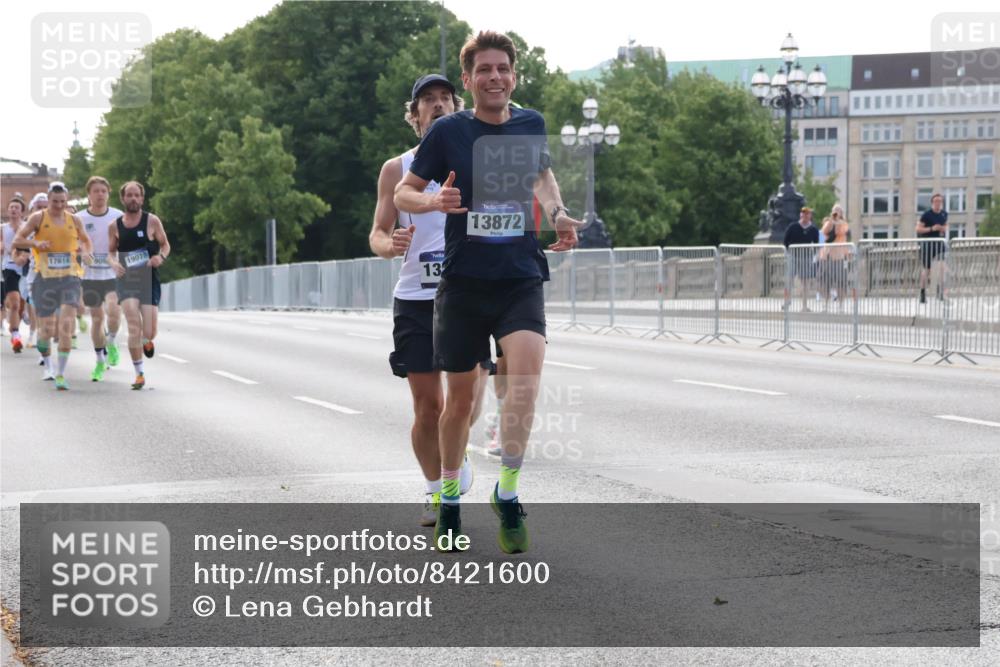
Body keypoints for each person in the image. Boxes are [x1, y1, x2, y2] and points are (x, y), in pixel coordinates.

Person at [395, 31, 583, 553]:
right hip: (463, 283)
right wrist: (432, 203)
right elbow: (402, 191)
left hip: (520, 273)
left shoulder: (530, 123)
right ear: (469, 80)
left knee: (524, 381)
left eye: (503, 68)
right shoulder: (449, 132)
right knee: (459, 405)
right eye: (485, 70)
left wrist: (559, 212)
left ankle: (508, 492)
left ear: (513, 76)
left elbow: (543, 177)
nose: (495, 77)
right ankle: (450, 498)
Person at [371, 73, 489, 527]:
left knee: (470, 402)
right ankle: (436, 488)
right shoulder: (397, 170)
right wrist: (390, 244)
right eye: (428, 100)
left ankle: (453, 456)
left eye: (445, 98)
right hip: (417, 297)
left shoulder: (478, 158)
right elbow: (378, 233)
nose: (437, 105)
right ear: (415, 114)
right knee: (428, 406)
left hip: (469, 292)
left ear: (456, 107)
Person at [12, 182, 93, 389]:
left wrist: (85, 252)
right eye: (55, 202)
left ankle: (60, 373)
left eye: (63, 202)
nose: (59, 206)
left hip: (70, 278)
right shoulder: (38, 218)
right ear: (48, 200)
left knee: (65, 327)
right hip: (44, 278)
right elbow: (18, 241)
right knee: (46, 331)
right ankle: (47, 364)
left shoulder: (74, 220)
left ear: (67, 201)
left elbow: (85, 240)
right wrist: (35, 244)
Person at [108, 181, 170, 390]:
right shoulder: (115, 226)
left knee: (149, 331)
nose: (133, 199)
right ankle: (139, 373)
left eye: (137, 195)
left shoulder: (152, 221)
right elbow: (110, 252)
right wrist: (114, 263)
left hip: (149, 278)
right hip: (127, 279)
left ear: (142, 199)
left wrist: (160, 257)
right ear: (123, 198)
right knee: (133, 323)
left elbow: (165, 244)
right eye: (129, 195)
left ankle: (147, 340)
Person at [78, 176, 124, 381]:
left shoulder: (118, 216)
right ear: (89, 194)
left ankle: (111, 341)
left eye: (103, 191)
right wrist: (81, 252)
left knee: (114, 312)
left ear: (108, 193)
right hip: (90, 275)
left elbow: (127, 241)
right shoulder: (79, 218)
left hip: (112, 272)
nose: (99, 195)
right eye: (95, 191)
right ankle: (99, 360)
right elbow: (72, 242)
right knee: (97, 318)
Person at [1, 195, 29, 353]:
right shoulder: (3, 228)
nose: (13, 210)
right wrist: (7, 247)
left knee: (22, 303)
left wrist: (24, 254)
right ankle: (16, 336)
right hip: (9, 267)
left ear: (22, 212)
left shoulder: (28, 227)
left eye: (16, 208)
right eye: (11, 207)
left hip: (26, 267)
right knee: (14, 302)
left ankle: (23, 315)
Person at [783, 206, 820, 312]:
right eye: (803, 213)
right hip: (793, 256)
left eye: (807, 213)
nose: (805, 215)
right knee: (789, 279)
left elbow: (816, 244)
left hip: (806, 257)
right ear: (800, 214)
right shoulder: (793, 226)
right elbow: (785, 241)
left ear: (810, 216)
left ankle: (804, 305)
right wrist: (788, 253)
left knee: (806, 282)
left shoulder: (813, 229)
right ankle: (786, 301)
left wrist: (815, 256)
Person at [818, 204, 851, 308]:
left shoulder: (844, 224)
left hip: (839, 257)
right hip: (826, 256)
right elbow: (823, 232)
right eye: (834, 210)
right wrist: (831, 222)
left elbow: (839, 231)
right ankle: (826, 302)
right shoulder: (828, 222)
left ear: (841, 213)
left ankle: (841, 304)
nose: (836, 212)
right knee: (824, 281)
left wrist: (836, 222)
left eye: (838, 210)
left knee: (840, 281)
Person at [917, 193, 948, 304]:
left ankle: (940, 293)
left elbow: (946, 226)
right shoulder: (926, 215)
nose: (938, 203)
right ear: (932, 203)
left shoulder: (944, 214)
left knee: (943, 269)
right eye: (936, 201)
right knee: (927, 270)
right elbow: (918, 229)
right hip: (927, 245)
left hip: (940, 244)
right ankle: (922, 293)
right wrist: (932, 228)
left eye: (940, 201)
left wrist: (942, 228)